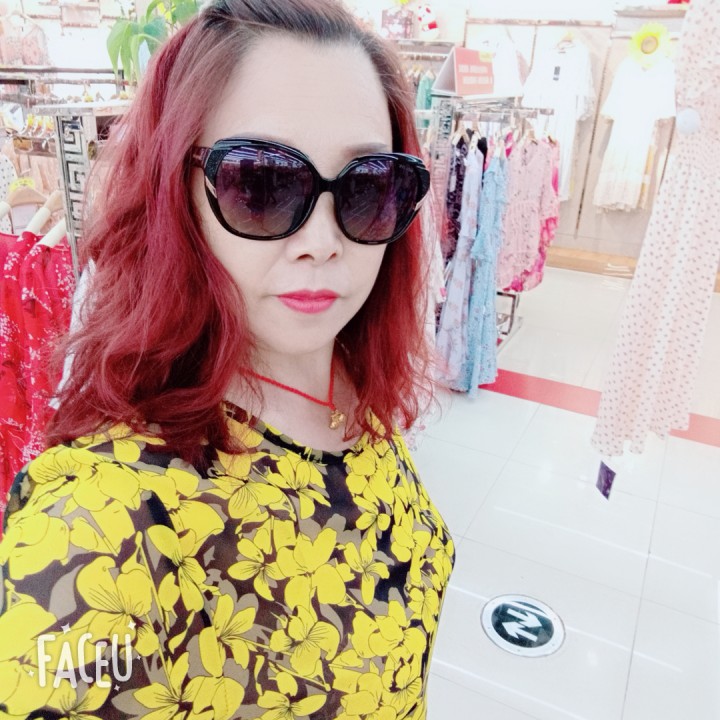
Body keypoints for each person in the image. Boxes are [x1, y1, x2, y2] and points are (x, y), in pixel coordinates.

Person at [0, 1, 455, 717]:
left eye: (367, 186)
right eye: (263, 184)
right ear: (174, 192)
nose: (323, 244)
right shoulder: (97, 528)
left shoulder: (349, 384)